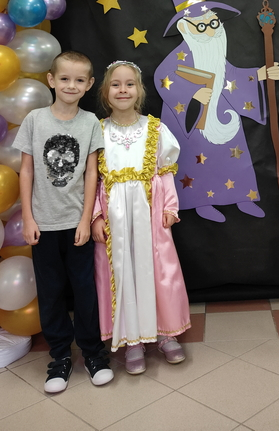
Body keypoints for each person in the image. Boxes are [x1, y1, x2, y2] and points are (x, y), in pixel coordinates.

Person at [141, 0, 279, 223]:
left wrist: (261, 74)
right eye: (202, 26)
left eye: (213, 23)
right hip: (192, 119)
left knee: (235, 157)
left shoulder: (215, 53)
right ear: (185, 28)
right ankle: (201, 202)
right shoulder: (179, 57)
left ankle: (244, 196)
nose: (211, 31)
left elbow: (231, 75)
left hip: (222, 113)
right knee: (195, 164)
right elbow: (162, 79)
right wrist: (192, 96)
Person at [17, 51, 113, 394]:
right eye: (65, 78)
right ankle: (59, 356)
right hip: (43, 225)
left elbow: (91, 174)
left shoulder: (90, 123)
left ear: (89, 84)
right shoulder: (34, 120)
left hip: (76, 224)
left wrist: (86, 219)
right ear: (51, 80)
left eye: (79, 80)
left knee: (85, 291)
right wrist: (27, 217)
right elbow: (26, 170)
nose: (71, 85)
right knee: (51, 292)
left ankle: (93, 353)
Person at [92, 60, 191, 375]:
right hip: (114, 218)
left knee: (158, 271)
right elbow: (91, 181)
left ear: (139, 90)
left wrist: (170, 206)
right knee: (122, 273)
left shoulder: (155, 129)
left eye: (129, 84)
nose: (123, 90)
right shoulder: (97, 131)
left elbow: (165, 173)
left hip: (149, 212)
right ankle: (132, 339)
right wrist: (95, 216)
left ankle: (164, 334)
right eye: (116, 84)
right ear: (105, 92)